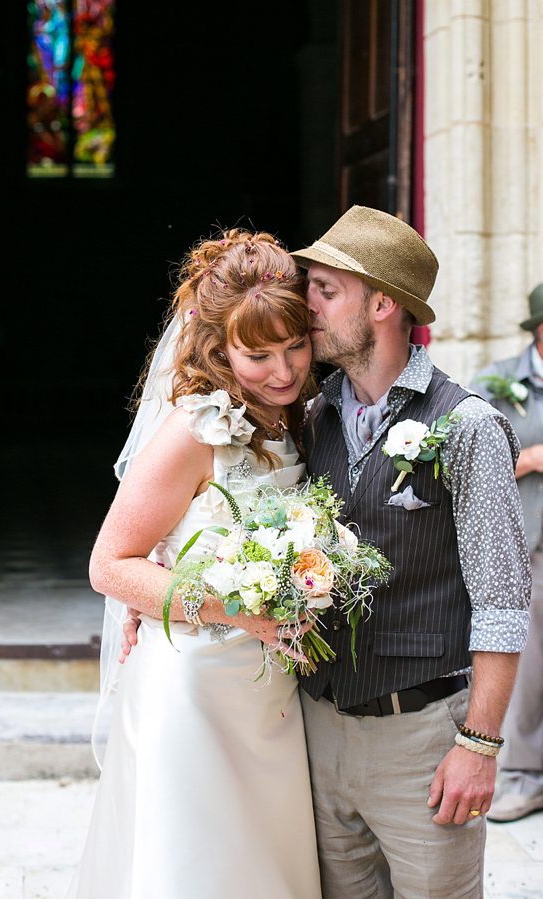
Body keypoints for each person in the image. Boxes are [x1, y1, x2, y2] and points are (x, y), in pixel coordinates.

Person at [67, 229, 322, 899]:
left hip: (269, 696)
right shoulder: (194, 431)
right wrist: (234, 610)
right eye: (257, 353)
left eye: (296, 345)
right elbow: (109, 564)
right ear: (218, 347)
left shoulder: (295, 419)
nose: (284, 370)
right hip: (192, 692)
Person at [287, 206, 531, 899]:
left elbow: (503, 602)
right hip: (318, 733)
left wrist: (479, 746)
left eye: (326, 289)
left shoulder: (467, 426)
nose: (307, 304)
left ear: (384, 304)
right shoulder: (311, 417)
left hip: (422, 742)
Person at [469, 283, 543, 823]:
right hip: (528, 541)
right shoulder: (497, 383)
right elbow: (468, 461)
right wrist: (533, 456)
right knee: (529, 664)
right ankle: (523, 776)